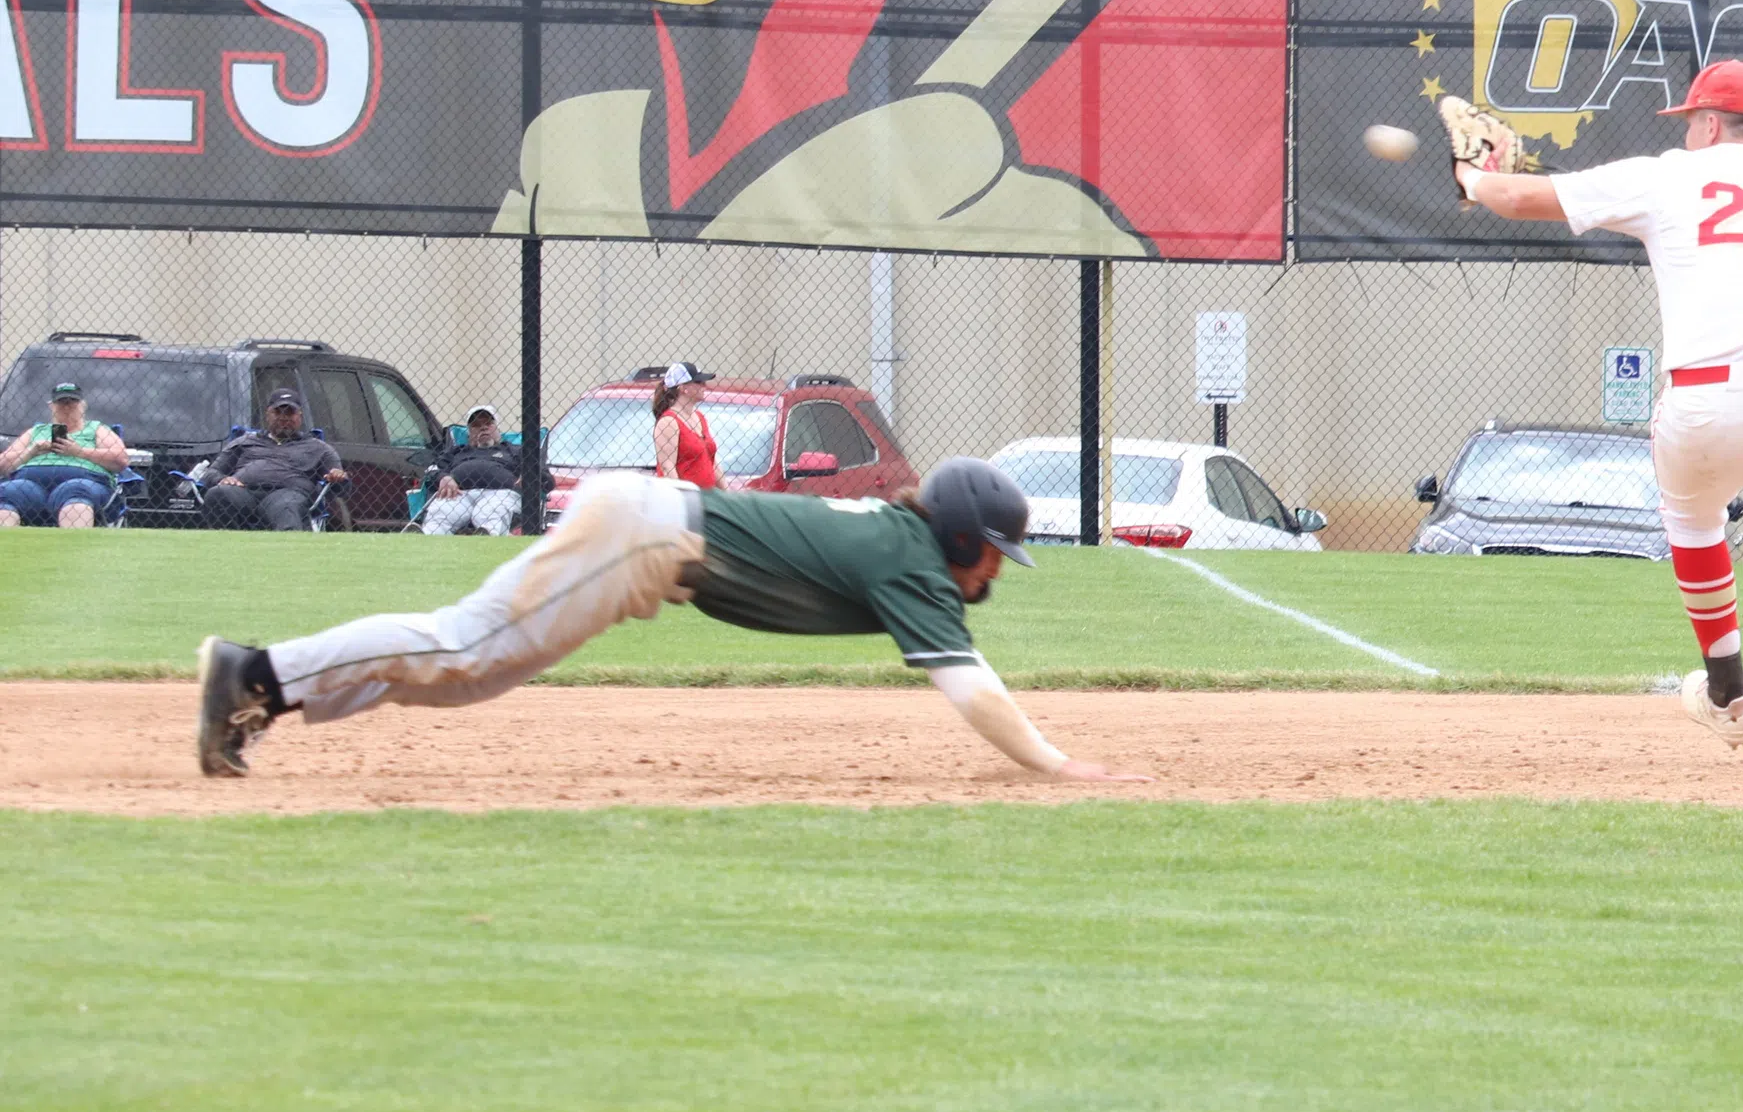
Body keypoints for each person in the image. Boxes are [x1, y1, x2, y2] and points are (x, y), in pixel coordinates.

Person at [1440, 60, 1743, 752]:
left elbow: (1518, 199)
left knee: (1694, 518)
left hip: (1704, 395)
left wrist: (1472, 177)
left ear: (1708, 123)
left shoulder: (1668, 174)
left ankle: (1730, 689)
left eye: (1691, 123)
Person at [196, 458, 1149, 784]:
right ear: (956, 535)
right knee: (465, 647)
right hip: (648, 536)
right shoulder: (914, 560)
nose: (996, 570)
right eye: (992, 549)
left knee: (473, 668)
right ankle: (254, 675)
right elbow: (969, 687)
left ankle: (263, 694)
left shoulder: (902, 543)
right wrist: (1058, 764)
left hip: (650, 531)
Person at [200, 390, 347, 531]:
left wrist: (337, 478)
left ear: (300, 416)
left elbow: (341, 487)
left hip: (287, 494)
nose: (284, 417)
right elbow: (210, 473)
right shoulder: (244, 441)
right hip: (243, 492)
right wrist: (223, 479)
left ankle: (288, 553)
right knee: (218, 494)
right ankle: (227, 548)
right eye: (278, 412)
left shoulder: (319, 447)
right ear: (267, 415)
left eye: (290, 412)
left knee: (286, 508)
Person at [0, 382, 129, 529]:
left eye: (72, 402)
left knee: (76, 494)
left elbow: (120, 460)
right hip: (28, 484)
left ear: (83, 405)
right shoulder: (36, 431)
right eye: (61, 403)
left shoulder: (96, 429)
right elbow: (2, 464)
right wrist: (32, 451)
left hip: (81, 482)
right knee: (8, 493)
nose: (67, 408)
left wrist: (78, 451)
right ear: (51, 406)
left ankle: (73, 548)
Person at [420, 404, 525, 536]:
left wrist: (529, 474)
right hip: (458, 494)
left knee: (489, 512)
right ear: (469, 433)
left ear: (497, 428)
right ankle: (424, 538)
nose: (483, 427)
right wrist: (443, 477)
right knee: (441, 513)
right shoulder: (457, 451)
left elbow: (543, 474)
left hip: (500, 493)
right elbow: (432, 469)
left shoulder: (513, 450)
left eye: (488, 423)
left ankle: (488, 537)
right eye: (476, 425)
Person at [652, 362, 719, 486]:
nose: (704, 386)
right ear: (683, 388)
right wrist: (682, 499)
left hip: (707, 498)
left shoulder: (699, 417)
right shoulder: (668, 422)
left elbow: (713, 463)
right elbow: (668, 468)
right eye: (699, 382)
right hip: (687, 500)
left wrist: (727, 495)